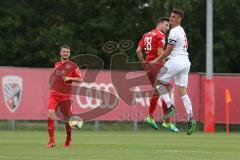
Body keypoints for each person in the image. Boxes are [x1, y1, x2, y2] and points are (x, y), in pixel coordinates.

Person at [155, 9, 196, 135]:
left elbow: (167, 51)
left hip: (176, 62)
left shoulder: (173, 31)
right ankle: (191, 118)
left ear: (179, 19)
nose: (171, 19)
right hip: (185, 63)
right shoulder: (182, 30)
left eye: (173, 17)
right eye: (171, 16)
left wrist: (156, 60)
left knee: (158, 82)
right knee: (183, 91)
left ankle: (170, 106)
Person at [136, 17, 179, 132]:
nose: (167, 28)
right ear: (159, 24)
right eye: (166, 25)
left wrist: (143, 64)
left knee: (159, 91)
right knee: (166, 89)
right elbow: (160, 54)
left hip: (148, 67)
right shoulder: (160, 36)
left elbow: (138, 50)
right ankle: (162, 120)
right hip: (157, 66)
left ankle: (163, 120)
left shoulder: (146, 35)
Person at [47, 45, 81, 147]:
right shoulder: (57, 64)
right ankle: (51, 141)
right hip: (54, 94)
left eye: (67, 52)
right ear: (60, 53)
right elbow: (55, 77)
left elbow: (80, 80)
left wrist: (69, 78)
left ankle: (68, 138)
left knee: (67, 120)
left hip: (66, 96)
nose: (65, 53)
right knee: (50, 115)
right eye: (64, 51)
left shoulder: (73, 66)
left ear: (69, 54)